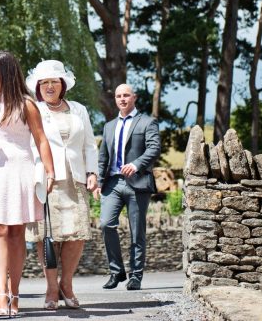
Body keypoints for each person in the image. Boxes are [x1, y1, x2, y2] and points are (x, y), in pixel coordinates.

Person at [0, 51, 55, 318]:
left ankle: (15, 294)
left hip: (20, 168)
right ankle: (1, 296)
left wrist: (50, 172)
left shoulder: (27, 104)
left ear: (7, 72)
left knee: (17, 232)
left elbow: (41, 139)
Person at [24, 60, 98, 309]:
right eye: (44, 82)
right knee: (46, 237)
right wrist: (40, 172)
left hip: (75, 179)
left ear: (62, 84)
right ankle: (51, 287)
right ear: (38, 87)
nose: (49, 86)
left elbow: (89, 143)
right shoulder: (34, 108)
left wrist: (92, 172)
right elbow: (30, 144)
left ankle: (66, 283)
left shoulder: (78, 109)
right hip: (46, 180)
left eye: (54, 81)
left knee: (76, 234)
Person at [94, 84, 161, 290]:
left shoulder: (148, 122)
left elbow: (154, 148)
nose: (122, 99)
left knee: (136, 232)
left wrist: (136, 164)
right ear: (115, 99)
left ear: (134, 97)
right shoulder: (108, 126)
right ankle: (117, 271)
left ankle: (136, 276)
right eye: (118, 96)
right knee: (106, 224)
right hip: (112, 183)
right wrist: (98, 183)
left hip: (138, 184)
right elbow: (103, 157)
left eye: (126, 95)